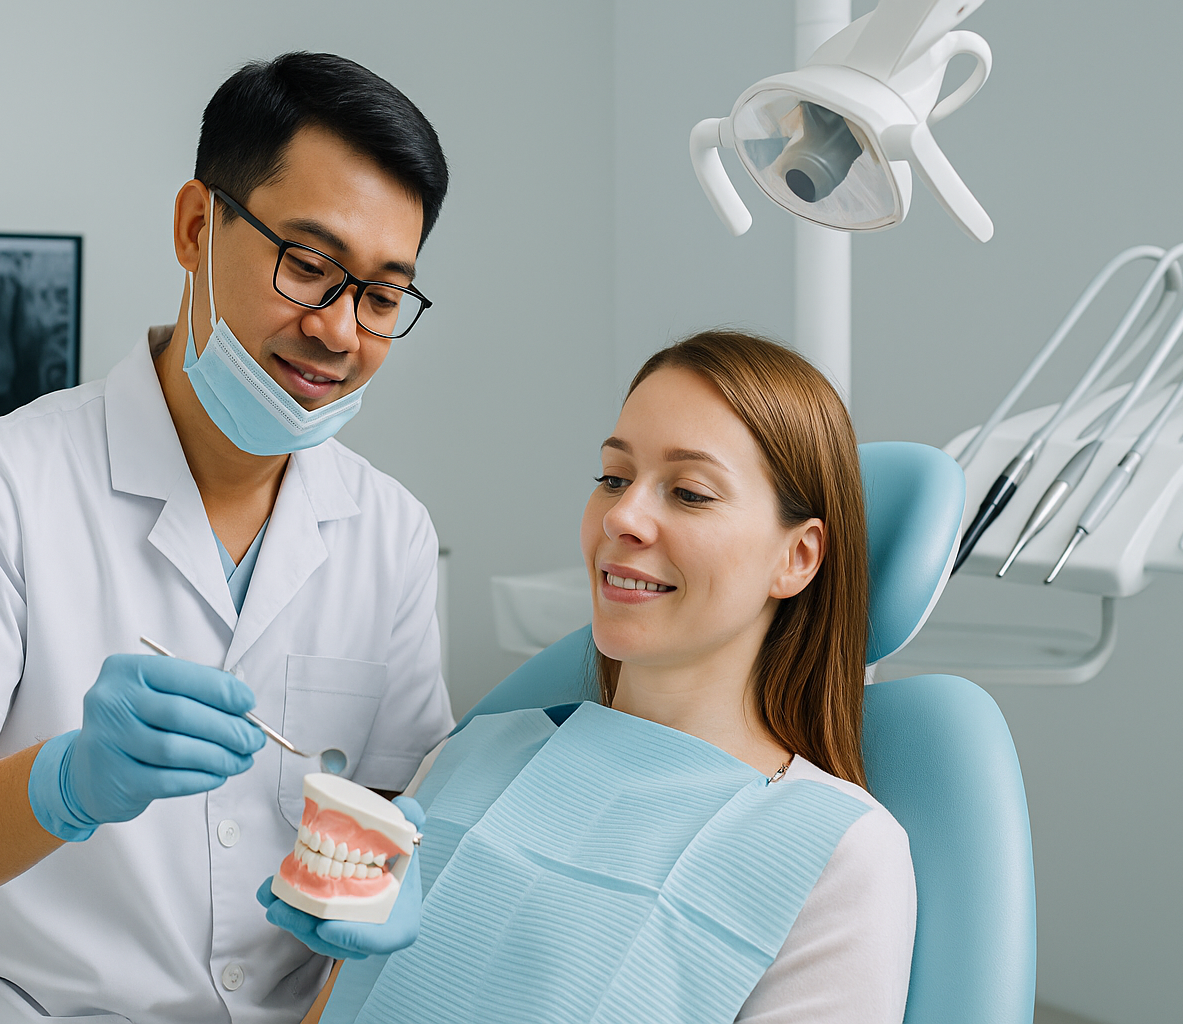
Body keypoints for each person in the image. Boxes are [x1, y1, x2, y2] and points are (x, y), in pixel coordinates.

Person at [0, 52, 455, 1024]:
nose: (338, 331)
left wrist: (387, 881)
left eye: (380, 296)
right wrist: (67, 782)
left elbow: (390, 810)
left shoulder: (392, 531)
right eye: (309, 266)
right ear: (198, 228)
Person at [275, 330, 918, 1024]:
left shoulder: (837, 853)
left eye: (691, 492)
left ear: (797, 556)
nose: (622, 516)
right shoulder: (469, 755)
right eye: (614, 478)